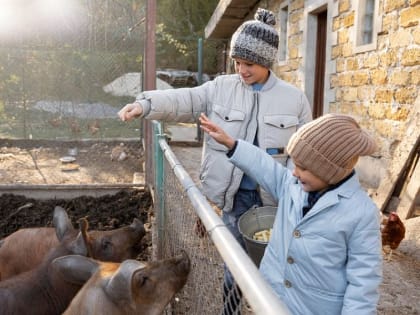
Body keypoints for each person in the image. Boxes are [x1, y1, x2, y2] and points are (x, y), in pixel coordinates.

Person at [118, 8, 312, 314]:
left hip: (275, 201)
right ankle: (231, 311)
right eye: (237, 61)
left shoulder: (294, 99)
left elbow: (303, 152)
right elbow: (185, 99)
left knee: (277, 270)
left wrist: (299, 193)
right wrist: (145, 105)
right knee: (233, 269)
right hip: (235, 198)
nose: (241, 69)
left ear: (267, 61)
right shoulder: (222, 87)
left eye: (249, 63)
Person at [199, 112, 383, 315]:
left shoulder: (361, 213)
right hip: (271, 300)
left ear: (329, 171)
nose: (294, 172)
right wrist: (231, 144)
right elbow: (264, 166)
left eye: (303, 167)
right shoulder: (292, 186)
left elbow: (363, 282)